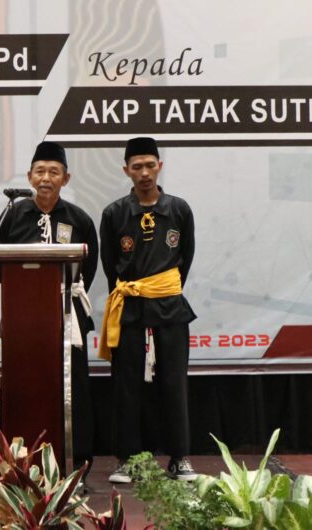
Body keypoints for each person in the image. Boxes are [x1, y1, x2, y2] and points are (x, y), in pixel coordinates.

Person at [98, 136, 197, 483]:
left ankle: (179, 457)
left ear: (160, 166)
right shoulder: (114, 213)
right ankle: (128, 460)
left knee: (174, 381)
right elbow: (110, 264)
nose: (144, 173)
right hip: (130, 306)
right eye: (137, 167)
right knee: (126, 384)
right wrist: (135, 291)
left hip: (169, 306)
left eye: (150, 165)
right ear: (126, 170)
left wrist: (161, 290)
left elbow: (185, 259)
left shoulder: (179, 209)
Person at [0, 141, 98, 479]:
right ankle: (21, 462)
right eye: (39, 171)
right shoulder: (12, 216)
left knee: (74, 387)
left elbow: (88, 269)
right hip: (23, 319)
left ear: (65, 179)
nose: (45, 178)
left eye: (53, 172)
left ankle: (77, 463)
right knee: (25, 384)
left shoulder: (79, 219)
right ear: (29, 176)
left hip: (67, 314)